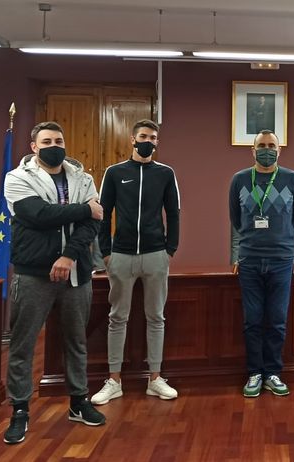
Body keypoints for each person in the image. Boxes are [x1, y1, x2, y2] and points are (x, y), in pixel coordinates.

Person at [2, 121, 106, 444]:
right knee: (22, 344)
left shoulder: (82, 178)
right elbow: (39, 215)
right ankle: (20, 409)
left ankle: (78, 401)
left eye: (58, 141)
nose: (54, 146)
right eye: (46, 141)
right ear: (34, 146)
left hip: (76, 272)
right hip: (34, 274)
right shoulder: (17, 178)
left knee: (77, 341)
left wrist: (69, 256)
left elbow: (93, 225)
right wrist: (85, 209)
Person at [91, 119, 180, 405]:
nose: (147, 141)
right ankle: (114, 380)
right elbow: (103, 212)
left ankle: (155, 378)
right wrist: (106, 252)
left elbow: (173, 213)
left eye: (152, 138)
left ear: (157, 142)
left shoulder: (165, 173)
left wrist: (170, 250)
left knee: (156, 317)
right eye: (143, 136)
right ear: (133, 139)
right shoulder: (115, 172)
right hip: (121, 255)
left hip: (156, 255)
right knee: (118, 317)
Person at [229, 129, 294, 398]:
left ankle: (272, 373)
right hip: (249, 260)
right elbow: (235, 220)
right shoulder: (239, 180)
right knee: (252, 320)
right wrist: (236, 254)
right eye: (261, 145)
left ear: (279, 150)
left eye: (271, 145)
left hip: (282, 260)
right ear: (252, 150)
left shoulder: (293, 179)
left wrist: (282, 239)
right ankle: (254, 373)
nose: (266, 150)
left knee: (276, 320)